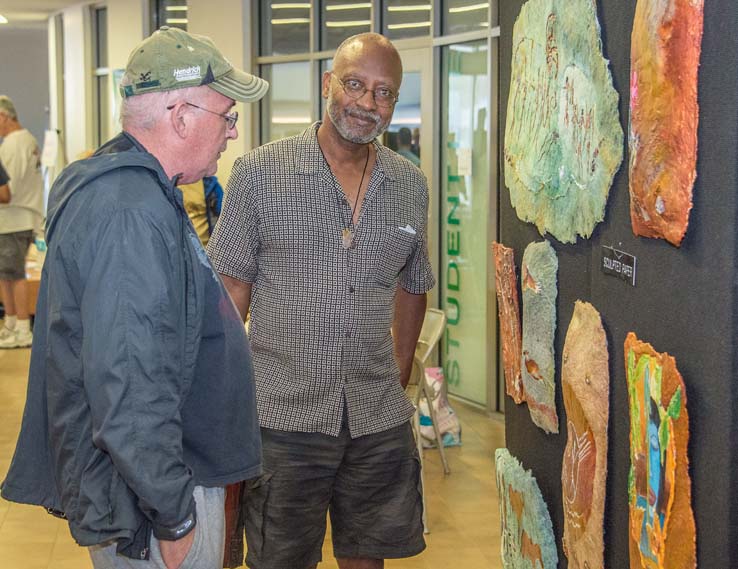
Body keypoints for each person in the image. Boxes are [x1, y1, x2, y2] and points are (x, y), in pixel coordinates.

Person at [1, 26, 268, 569]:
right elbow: (130, 379)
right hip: (159, 500)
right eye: (228, 115)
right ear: (181, 115)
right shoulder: (129, 210)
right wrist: (174, 514)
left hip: (156, 484)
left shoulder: (134, 188)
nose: (233, 132)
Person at [207, 32, 434, 569]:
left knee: (368, 557)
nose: (367, 103)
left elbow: (414, 282)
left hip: (377, 418)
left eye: (383, 93)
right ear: (328, 84)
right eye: (355, 85)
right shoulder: (260, 173)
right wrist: (216, 397)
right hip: (283, 416)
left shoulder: (410, 185)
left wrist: (399, 373)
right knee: (280, 559)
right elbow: (229, 289)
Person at [0, 96, 44, 349]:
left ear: (4, 117)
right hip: (20, 217)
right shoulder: (26, 139)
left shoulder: (14, 144)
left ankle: (21, 325)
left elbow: (7, 189)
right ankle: (12, 322)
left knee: (14, 275)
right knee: (7, 274)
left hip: (14, 217)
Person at [178, 175, 224, 246]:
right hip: (178, 250)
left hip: (206, 250)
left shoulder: (211, 186)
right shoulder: (163, 184)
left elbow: (227, 219)